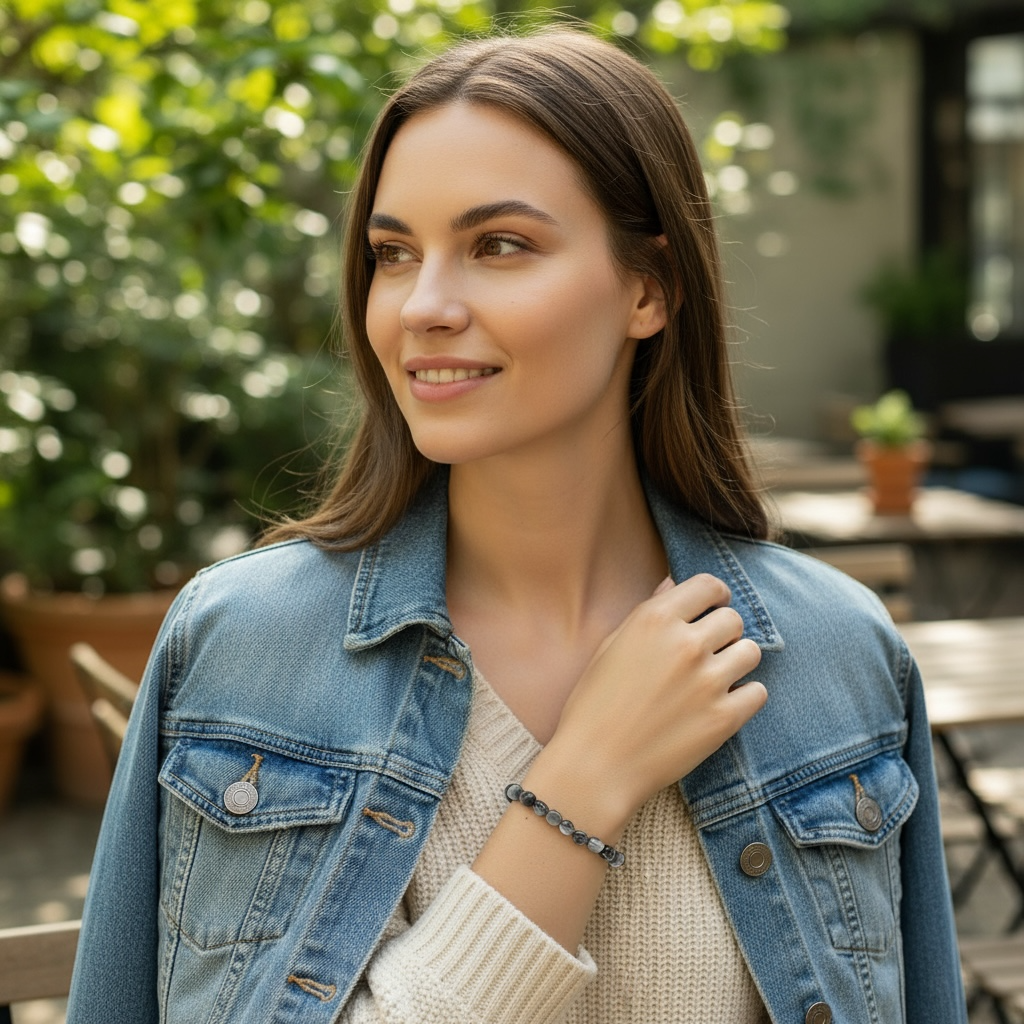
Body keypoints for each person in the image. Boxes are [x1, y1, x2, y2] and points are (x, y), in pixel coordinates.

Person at [68, 26, 966, 1024]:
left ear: (649, 288)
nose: (422, 305)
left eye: (499, 245)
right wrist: (585, 780)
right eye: (393, 254)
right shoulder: (245, 647)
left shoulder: (836, 656)